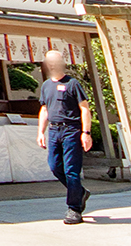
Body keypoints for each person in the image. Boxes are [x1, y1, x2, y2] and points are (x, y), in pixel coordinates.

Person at [37, 49, 93, 225]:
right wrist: (40, 131)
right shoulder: (46, 85)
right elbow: (44, 109)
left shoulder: (72, 83)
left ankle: (74, 208)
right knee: (55, 166)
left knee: (71, 170)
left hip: (72, 130)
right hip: (54, 131)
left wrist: (86, 132)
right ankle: (80, 192)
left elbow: (84, 108)